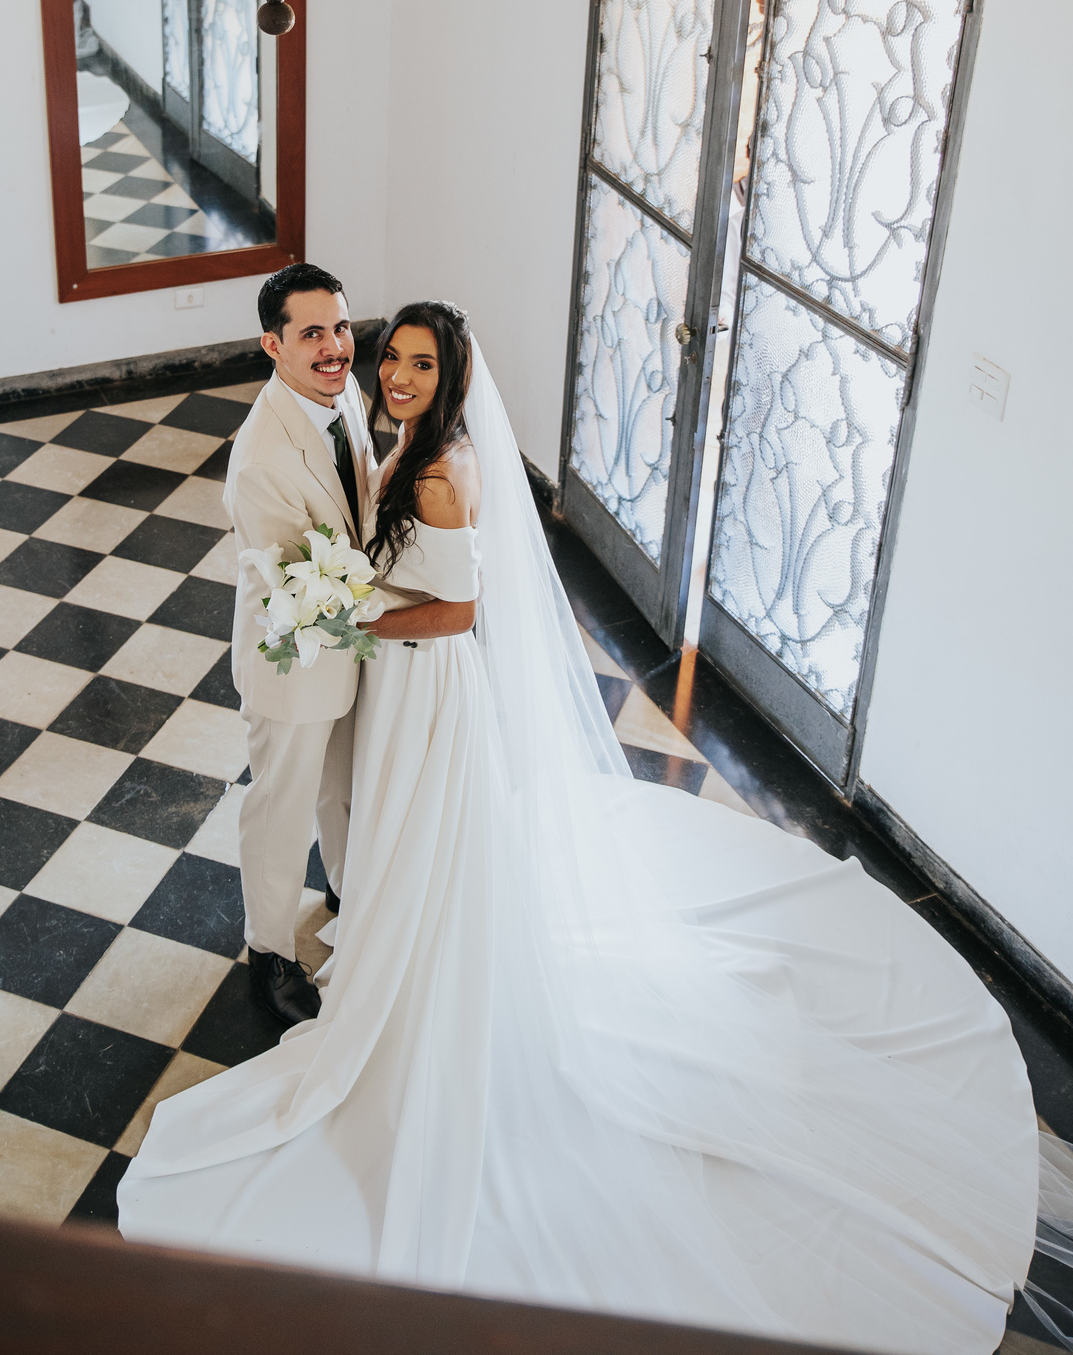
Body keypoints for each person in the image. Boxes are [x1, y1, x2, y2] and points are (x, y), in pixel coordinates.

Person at [120, 302, 1073, 1354]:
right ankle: (405, 946)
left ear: (452, 374)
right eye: (393, 358)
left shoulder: (439, 473)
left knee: (431, 839)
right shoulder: (411, 440)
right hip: (401, 683)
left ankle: (425, 991)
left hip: (426, 683)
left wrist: (351, 613)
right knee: (409, 839)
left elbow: (458, 612)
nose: (394, 375)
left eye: (419, 363)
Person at [221, 264, 375, 1026]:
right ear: (272, 345)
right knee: (282, 809)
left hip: (352, 646)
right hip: (297, 655)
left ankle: (347, 890)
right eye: (312, 333)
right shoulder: (262, 461)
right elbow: (307, 589)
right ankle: (271, 951)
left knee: (343, 783)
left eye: (340, 327)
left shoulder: (343, 393)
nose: (334, 347)